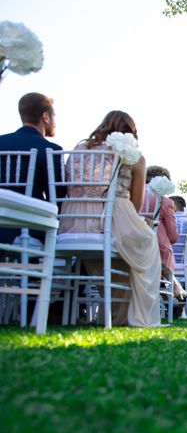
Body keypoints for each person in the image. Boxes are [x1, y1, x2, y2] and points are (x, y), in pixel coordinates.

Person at [59, 111, 162, 327]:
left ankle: (115, 314)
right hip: (111, 217)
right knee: (148, 245)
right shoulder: (133, 156)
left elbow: (69, 188)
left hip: (72, 222)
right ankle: (133, 314)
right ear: (131, 133)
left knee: (121, 253)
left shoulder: (79, 149)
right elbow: (136, 203)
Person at [0, 92, 65, 245]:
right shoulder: (50, 150)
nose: (54, 122)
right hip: (29, 228)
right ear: (45, 117)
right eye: (53, 116)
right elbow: (57, 198)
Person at [142, 166, 186, 300]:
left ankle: (171, 292)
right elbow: (173, 236)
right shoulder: (165, 202)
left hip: (132, 243)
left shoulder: (132, 195)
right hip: (158, 249)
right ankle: (173, 290)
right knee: (163, 255)